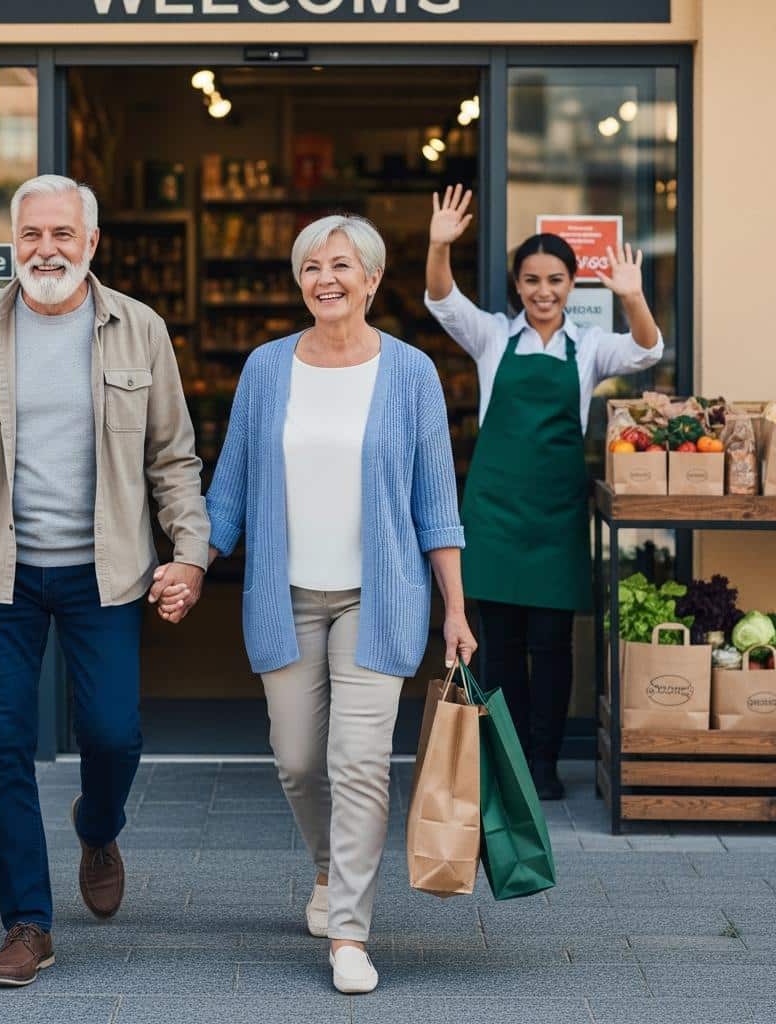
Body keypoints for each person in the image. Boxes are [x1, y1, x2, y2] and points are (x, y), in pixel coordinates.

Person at [0, 174, 209, 987]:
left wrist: (190, 552)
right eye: (32, 234)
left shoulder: (139, 330)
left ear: (92, 243)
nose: (46, 249)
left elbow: (173, 458)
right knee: (0, 748)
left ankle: (97, 826)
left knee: (113, 732)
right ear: (14, 241)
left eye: (63, 234)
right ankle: (27, 923)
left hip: (104, 574)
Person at [157, 214, 476, 995]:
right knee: (300, 761)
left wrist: (456, 611)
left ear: (372, 278)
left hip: (381, 596)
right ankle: (331, 869)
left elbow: (437, 505)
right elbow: (228, 488)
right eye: (311, 267)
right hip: (286, 597)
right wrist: (192, 564)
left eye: (342, 265)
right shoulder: (268, 369)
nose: (325, 278)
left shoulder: (411, 374)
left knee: (360, 762)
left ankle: (349, 935)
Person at [424, 184, 663, 800]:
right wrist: (438, 246)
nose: (543, 291)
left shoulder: (586, 349)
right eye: (531, 280)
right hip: (496, 517)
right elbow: (442, 299)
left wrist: (633, 297)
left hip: (556, 518)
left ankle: (544, 764)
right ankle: (506, 763)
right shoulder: (492, 339)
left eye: (555, 280)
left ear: (572, 283)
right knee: (500, 649)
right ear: (517, 284)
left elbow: (647, 349)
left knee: (553, 648)